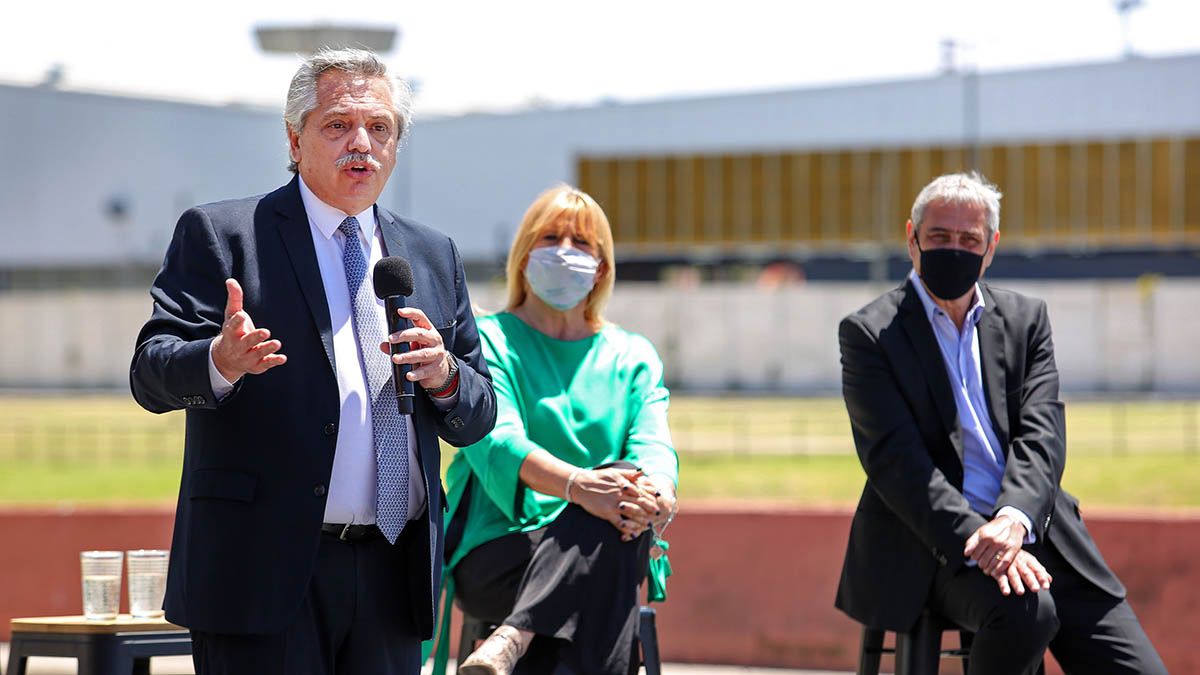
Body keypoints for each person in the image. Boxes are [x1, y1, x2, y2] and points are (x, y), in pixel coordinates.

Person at [129, 48, 496, 675]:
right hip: (261, 572)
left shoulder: (432, 254)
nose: (362, 144)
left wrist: (445, 378)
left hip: (394, 571)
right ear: (295, 141)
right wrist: (220, 360)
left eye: (380, 128)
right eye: (338, 125)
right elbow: (150, 371)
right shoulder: (225, 235)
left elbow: (479, 414)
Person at [835, 172, 1166, 674]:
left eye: (969, 240)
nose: (954, 250)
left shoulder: (1025, 320)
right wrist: (984, 543)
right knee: (1027, 612)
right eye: (939, 236)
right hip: (934, 545)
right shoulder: (870, 333)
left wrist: (1013, 521)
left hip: (1036, 529)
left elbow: (1042, 436)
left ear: (991, 248)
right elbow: (898, 465)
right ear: (912, 238)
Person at [435, 185, 678, 675]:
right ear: (524, 257)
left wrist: (658, 494)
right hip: (501, 547)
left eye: (581, 242)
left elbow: (652, 444)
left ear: (602, 268)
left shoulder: (632, 355)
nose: (565, 251)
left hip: (605, 539)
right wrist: (580, 486)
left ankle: (514, 637)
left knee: (613, 515)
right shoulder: (486, 341)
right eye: (550, 237)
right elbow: (497, 441)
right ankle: (522, 631)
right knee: (608, 545)